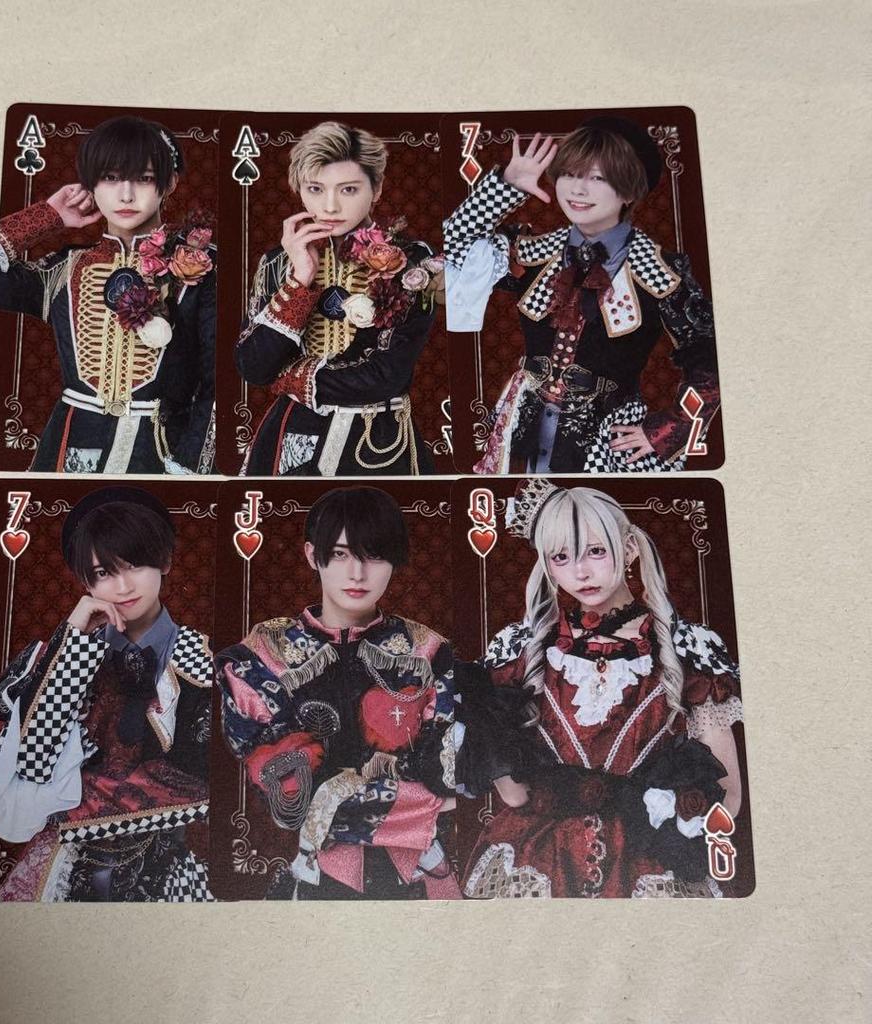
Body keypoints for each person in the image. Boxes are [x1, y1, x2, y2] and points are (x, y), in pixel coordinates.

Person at [457, 481, 743, 898]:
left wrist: (673, 824)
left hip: (648, 862)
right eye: (561, 557)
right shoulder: (520, 649)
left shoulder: (689, 649)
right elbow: (512, 793)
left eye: (595, 551)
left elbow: (728, 795)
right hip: (536, 859)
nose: (581, 572)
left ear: (629, 549)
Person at [215, 487, 459, 899]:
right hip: (317, 877)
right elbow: (289, 799)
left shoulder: (429, 651)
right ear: (313, 555)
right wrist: (420, 801)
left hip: (422, 876)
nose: (357, 574)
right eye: (341, 554)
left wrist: (345, 798)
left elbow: (451, 775)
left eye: (374, 555)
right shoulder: (259, 659)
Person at [0, 487, 214, 901]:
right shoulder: (53, 660)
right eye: (103, 573)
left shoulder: (209, 659)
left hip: (180, 872)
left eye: (135, 564)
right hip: (73, 869)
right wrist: (74, 647)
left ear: (165, 561)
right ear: (86, 583)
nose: (123, 586)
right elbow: (32, 768)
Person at [443, 116, 720, 474]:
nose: (578, 189)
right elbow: (456, 247)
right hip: (523, 428)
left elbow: (710, 357)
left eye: (597, 178)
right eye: (570, 174)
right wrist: (507, 186)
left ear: (629, 191)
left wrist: (669, 428)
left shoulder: (661, 271)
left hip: (608, 442)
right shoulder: (531, 253)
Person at [0, 115, 216, 474]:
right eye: (110, 178)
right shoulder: (66, 268)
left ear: (170, 183)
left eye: (144, 178)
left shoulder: (203, 266)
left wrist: (188, 466)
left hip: (160, 455)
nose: (126, 195)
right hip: (66, 452)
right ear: (91, 186)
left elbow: (218, 383)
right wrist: (48, 216)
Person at [236, 121, 444, 476]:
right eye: (315, 189)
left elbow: (386, 374)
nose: (330, 206)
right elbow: (254, 366)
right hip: (290, 436)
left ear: (376, 189)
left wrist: (292, 377)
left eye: (348, 189)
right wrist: (300, 279)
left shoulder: (409, 259)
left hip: (377, 438)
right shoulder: (277, 262)